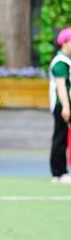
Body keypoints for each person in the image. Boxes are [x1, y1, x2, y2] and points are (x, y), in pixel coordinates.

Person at [49, 27, 71, 183]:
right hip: (62, 105)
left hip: (66, 105)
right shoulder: (60, 62)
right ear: (64, 42)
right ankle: (58, 173)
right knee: (60, 139)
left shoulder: (67, 61)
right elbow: (61, 85)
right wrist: (66, 107)